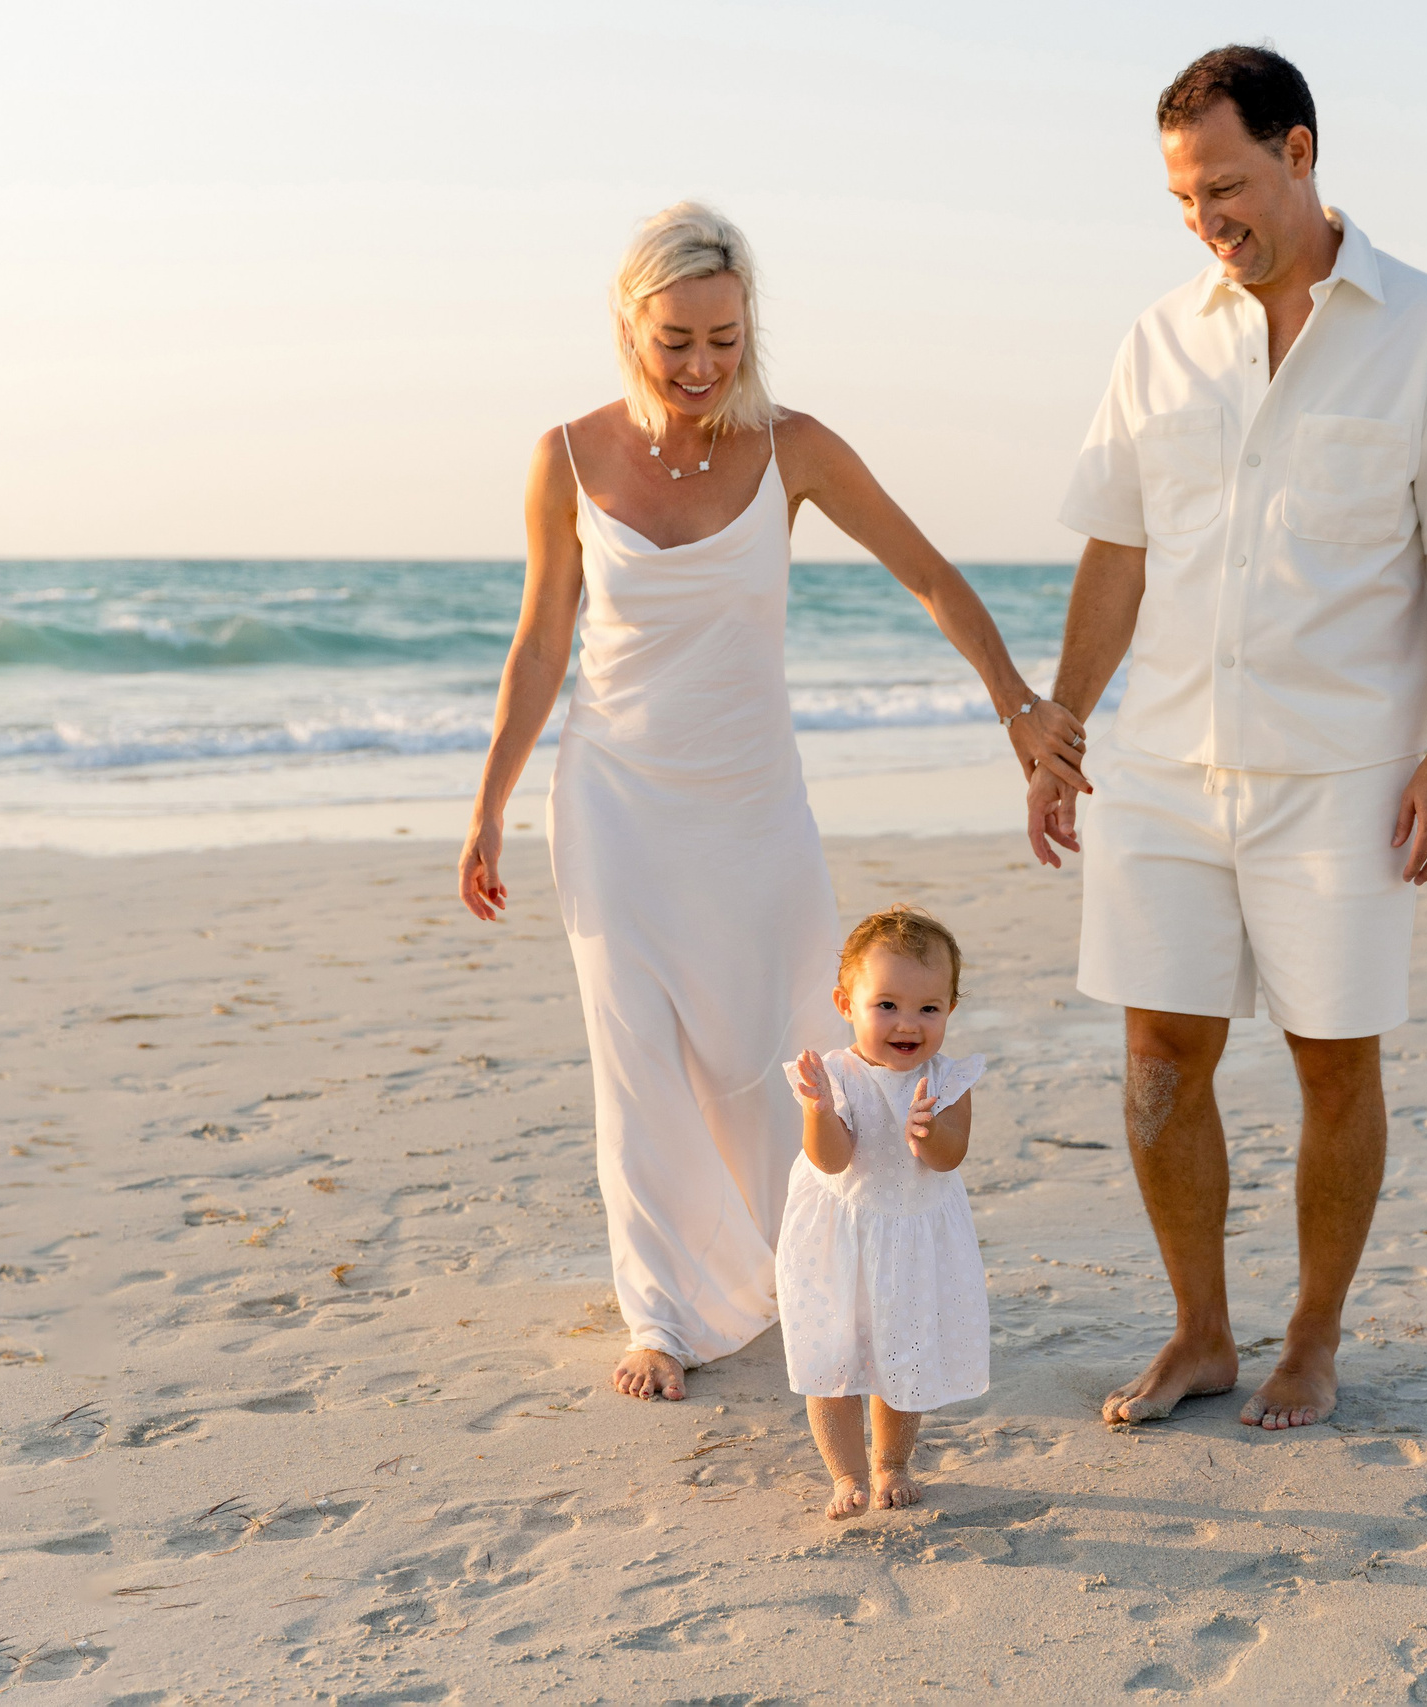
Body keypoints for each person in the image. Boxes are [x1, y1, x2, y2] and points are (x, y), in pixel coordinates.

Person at [462, 204, 1082, 1403]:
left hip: (751, 802)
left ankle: (794, 1269)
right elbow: (541, 643)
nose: (700, 368)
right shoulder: (567, 456)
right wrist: (486, 804)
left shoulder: (794, 448)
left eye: (725, 341)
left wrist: (1016, 708)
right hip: (612, 802)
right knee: (636, 1059)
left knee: (781, 1041)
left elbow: (928, 574)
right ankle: (662, 1313)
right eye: (674, 342)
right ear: (627, 326)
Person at [1027, 46, 1427, 1430]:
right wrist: (1064, 720)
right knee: (1157, 1057)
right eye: (1185, 195)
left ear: (1302, 153)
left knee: (1334, 1056)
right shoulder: (1159, 338)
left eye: (1229, 184)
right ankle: (1201, 1328)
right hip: (1165, 765)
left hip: (1347, 771)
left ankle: (1312, 1333)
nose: (1208, 218)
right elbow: (1117, 548)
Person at [778, 907, 988, 1519]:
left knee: (903, 1348)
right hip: (839, 1236)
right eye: (887, 1005)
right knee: (834, 1354)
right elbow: (832, 1161)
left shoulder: (948, 1080)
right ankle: (845, 1474)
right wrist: (819, 1112)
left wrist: (928, 1133)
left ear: (950, 1009)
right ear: (846, 1002)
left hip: (913, 1239)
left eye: (929, 1008)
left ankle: (890, 1462)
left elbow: (951, 1158)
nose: (908, 1024)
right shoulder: (833, 1076)